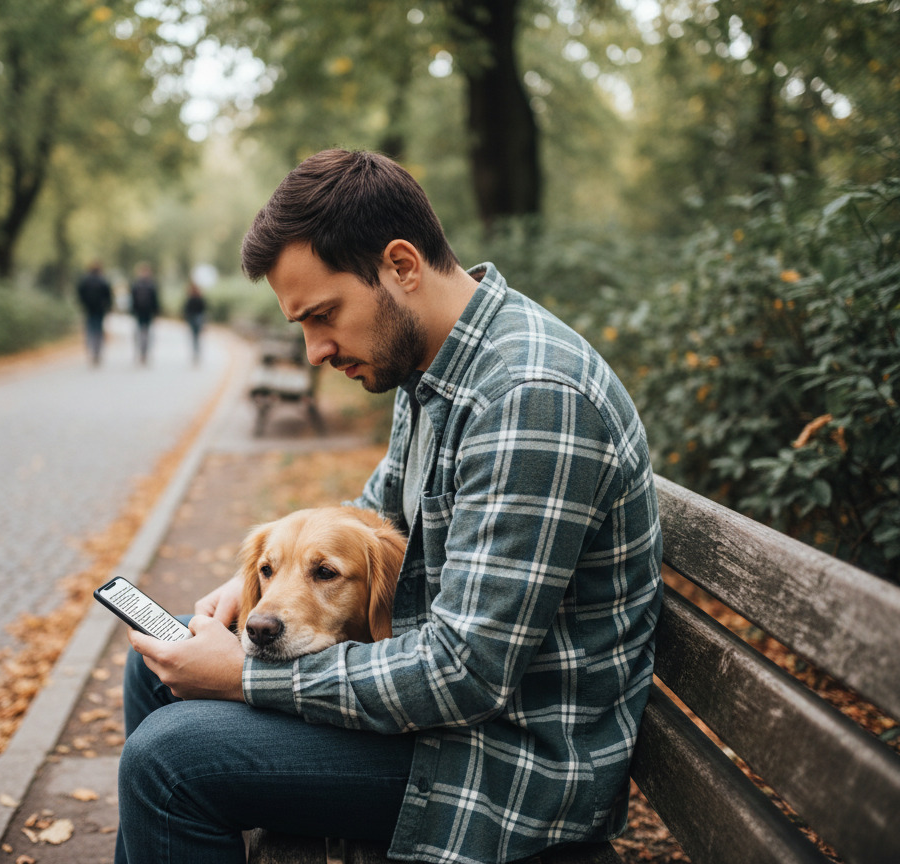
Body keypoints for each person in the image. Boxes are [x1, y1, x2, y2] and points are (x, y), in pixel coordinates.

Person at [116, 149, 664, 864]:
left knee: (168, 761)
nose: (313, 351)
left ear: (402, 266)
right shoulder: (436, 370)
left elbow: (463, 672)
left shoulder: (531, 397)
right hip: (451, 727)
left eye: (323, 315)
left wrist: (247, 675)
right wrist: (252, 587)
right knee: (155, 670)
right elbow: (371, 514)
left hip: (505, 764)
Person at [76, 261, 112, 366]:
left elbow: (79, 293)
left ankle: (90, 349)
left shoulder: (85, 280)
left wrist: (83, 304)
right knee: (98, 330)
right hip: (100, 310)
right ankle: (97, 351)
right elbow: (108, 296)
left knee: (89, 329)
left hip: (88, 309)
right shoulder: (103, 281)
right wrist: (108, 307)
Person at [129, 263, 160, 365]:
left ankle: (141, 351)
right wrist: (156, 311)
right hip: (148, 313)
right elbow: (155, 300)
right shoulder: (151, 285)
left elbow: (132, 299)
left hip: (139, 312)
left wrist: (132, 310)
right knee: (146, 332)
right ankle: (144, 352)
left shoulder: (136, 285)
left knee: (140, 332)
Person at [183, 279, 208, 364]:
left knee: (195, 337)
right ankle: (196, 353)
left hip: (196, 318)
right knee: (196, 337)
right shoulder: (196, 297)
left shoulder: (194, 297)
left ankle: (196, 353)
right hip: (196, 319)